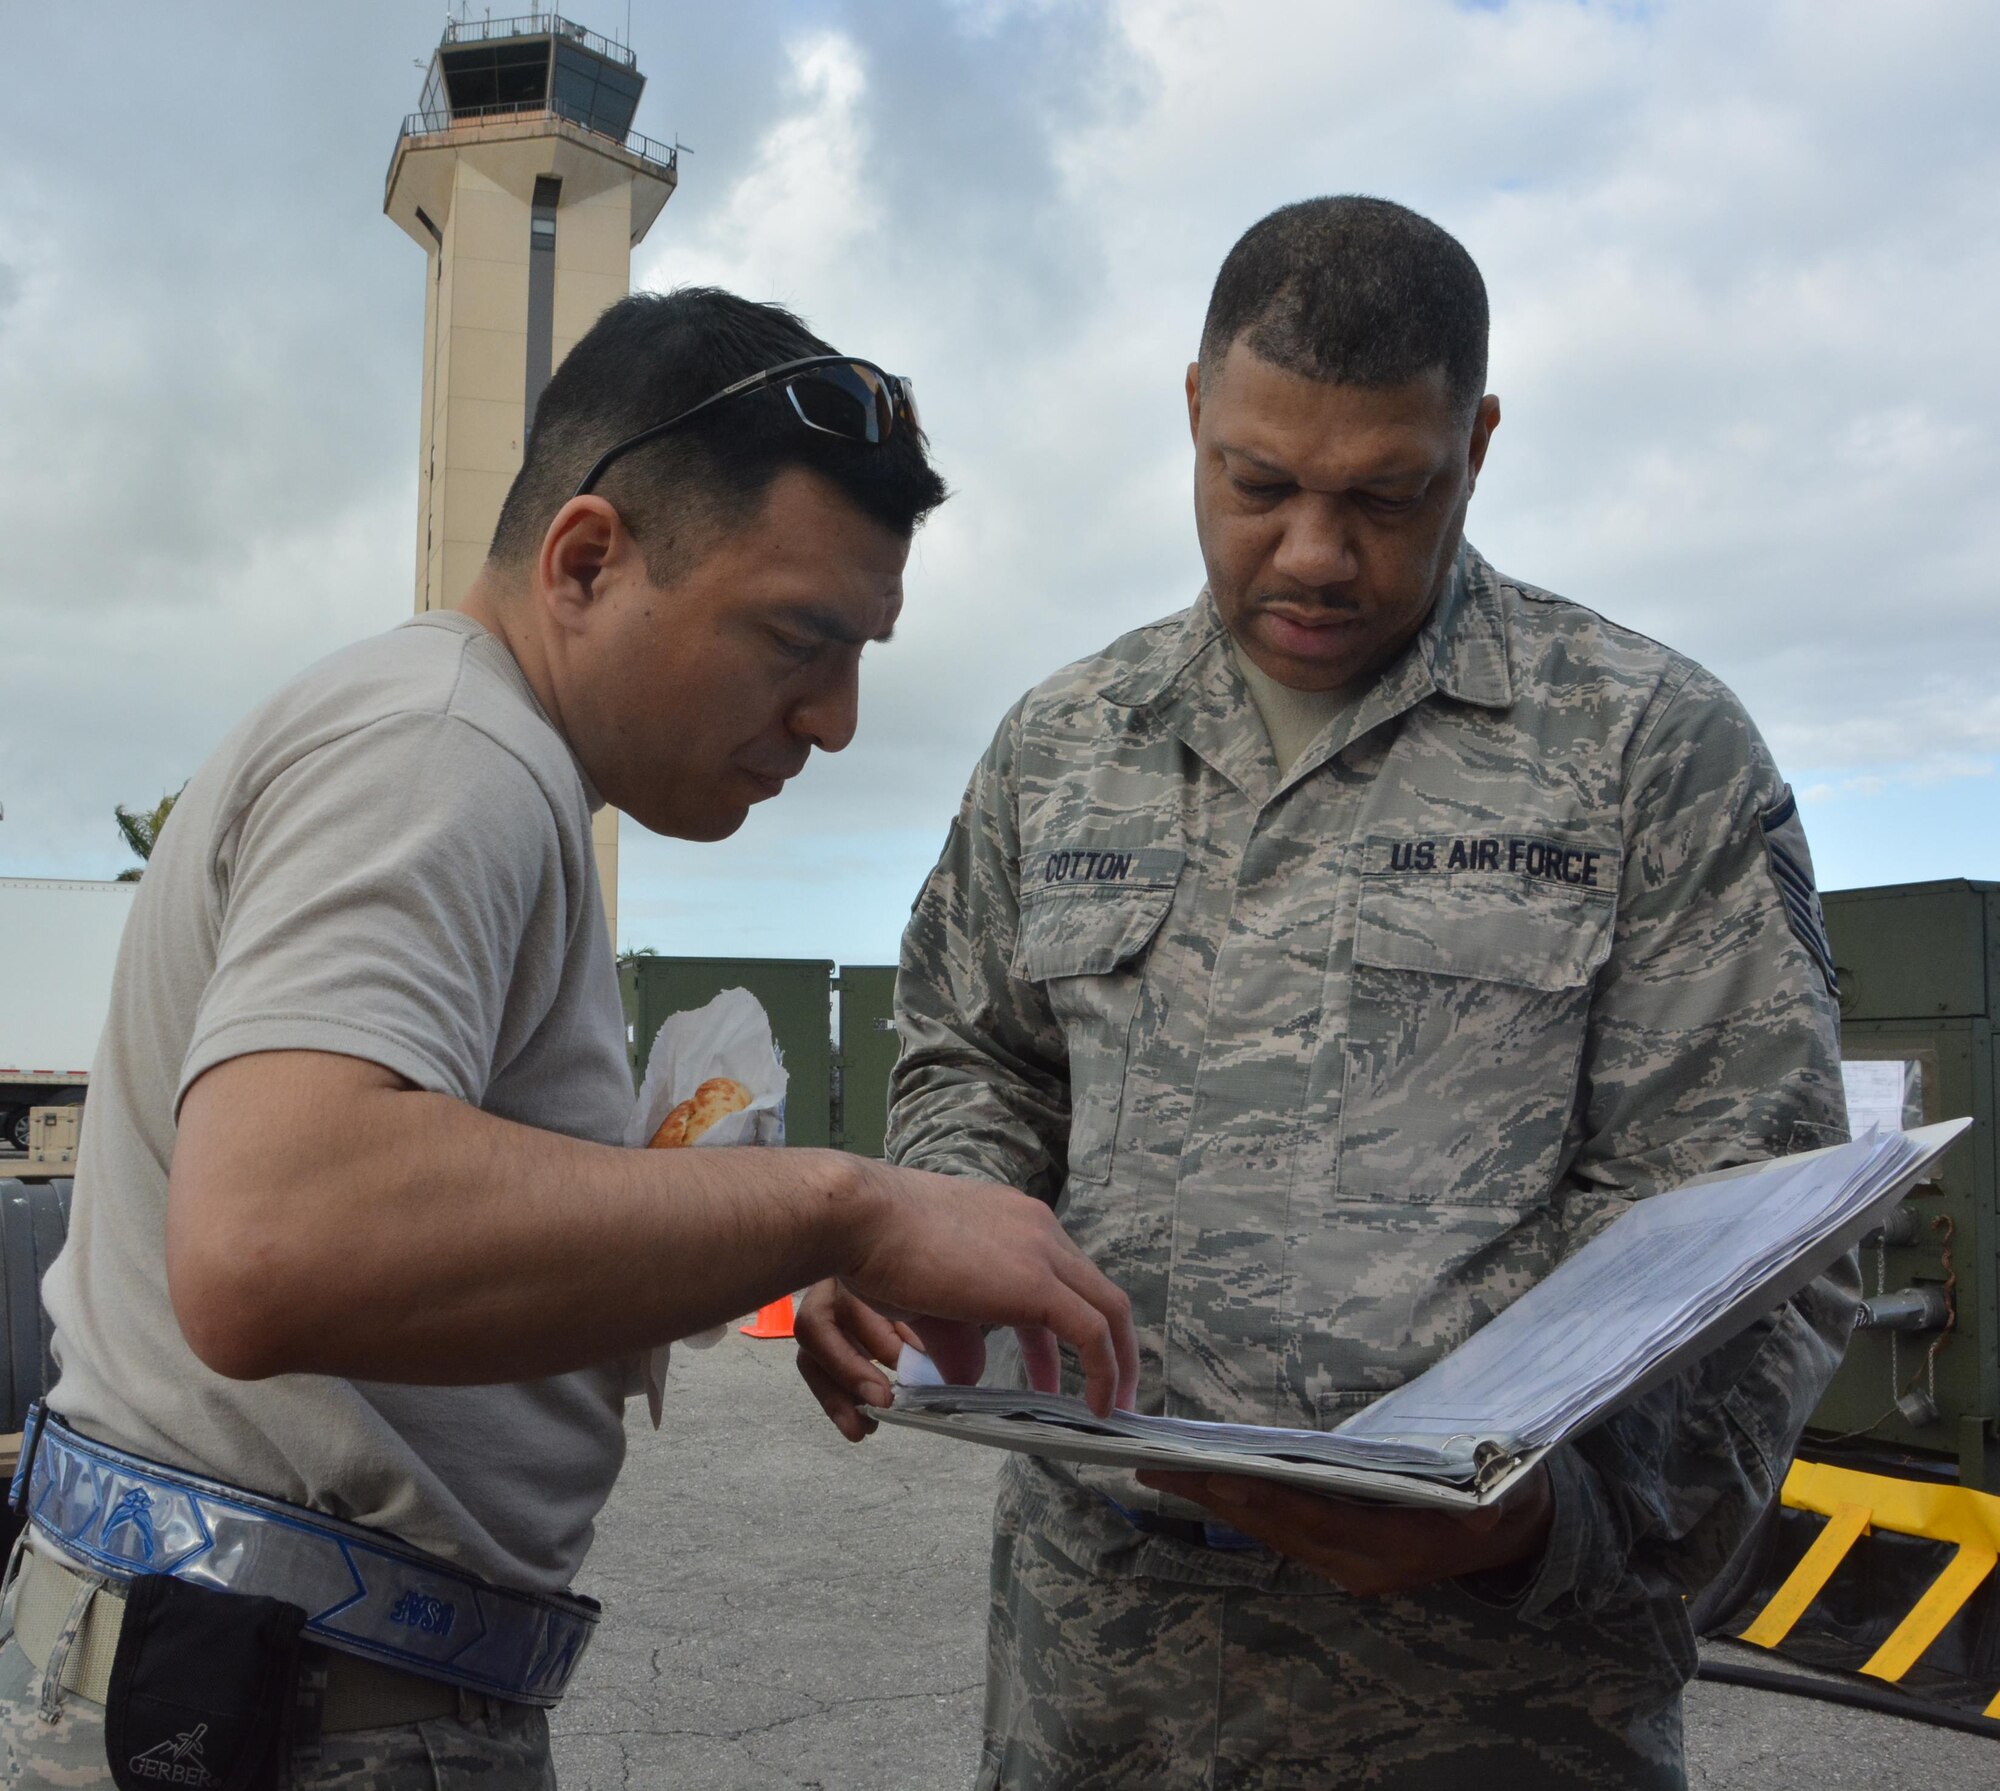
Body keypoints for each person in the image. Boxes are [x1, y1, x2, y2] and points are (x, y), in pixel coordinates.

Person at [3, 288, 1137, 1788]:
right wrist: (849, 1201)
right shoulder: (446, 750)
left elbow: (409, 1225)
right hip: (280, 1712)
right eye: (799, 637)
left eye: (861, 649)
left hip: (261, 1684)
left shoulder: (453, 741)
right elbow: (275, 1237)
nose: (840, 718)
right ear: (587, 559)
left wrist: (774, 1249)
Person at [794, 199, 1851, 1788]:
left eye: (1384, 495)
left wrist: (1565, 1517)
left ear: (1477, 445)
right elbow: (980, 1061)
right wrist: (920, 1234)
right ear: (1195, 416)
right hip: (1108, 1693)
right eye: (1259, 483)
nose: (1313, 553)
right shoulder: (1065, 744)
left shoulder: (1649, 755)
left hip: (1492, 1708)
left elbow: (1757, 1230)